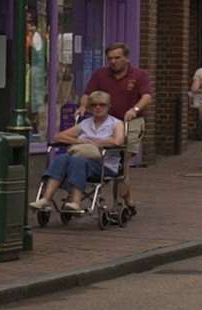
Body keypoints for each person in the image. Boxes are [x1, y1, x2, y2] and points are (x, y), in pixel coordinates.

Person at [82, 43, 152, 216]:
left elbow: (146, 96)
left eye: (117, 58)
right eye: (110, 58)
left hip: (130, 122)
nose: (113, 62)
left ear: (126, 58)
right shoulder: (100, 74)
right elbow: (87, 94)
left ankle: (119, 202)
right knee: (114, 162)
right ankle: (127, 200)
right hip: (107, 123)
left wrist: (134, 110)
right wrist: (83, 107)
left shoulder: (139, 75)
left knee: (122, 161)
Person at [33, 91, 126, 212]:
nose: (98, 107)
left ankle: (76, 202)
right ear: (89, 107)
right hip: (80, 160)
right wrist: (80, 142)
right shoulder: (85, 124)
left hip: (104, 164)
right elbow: (59, 136)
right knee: (61, 158)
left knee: (78, 160)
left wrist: (93, 142)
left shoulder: (116, 123)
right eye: (94, 105)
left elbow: (117, 141)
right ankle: (45, 199)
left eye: (102, 104)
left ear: (109, 106)